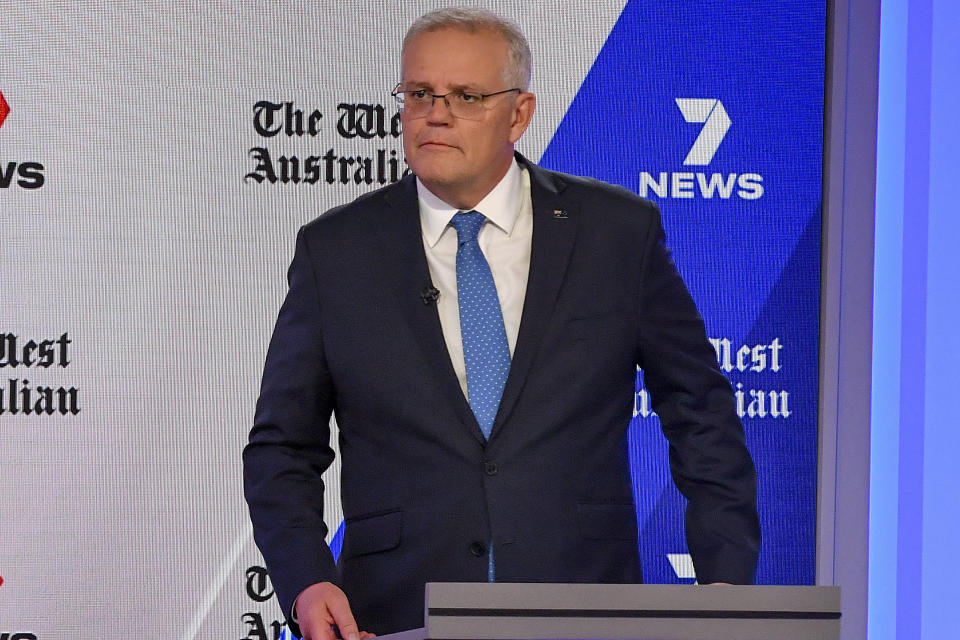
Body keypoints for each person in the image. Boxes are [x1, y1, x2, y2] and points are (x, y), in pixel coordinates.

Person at [243, 8, 760, 640]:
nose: (436, 113)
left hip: (585, 608)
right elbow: (282, 448)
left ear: (519, 114)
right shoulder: (337, 252)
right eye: (419, 94)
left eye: (466, 96)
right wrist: (306, 579)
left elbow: (700, 411)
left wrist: (725, 583)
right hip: (393, 616)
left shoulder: (616, 236)